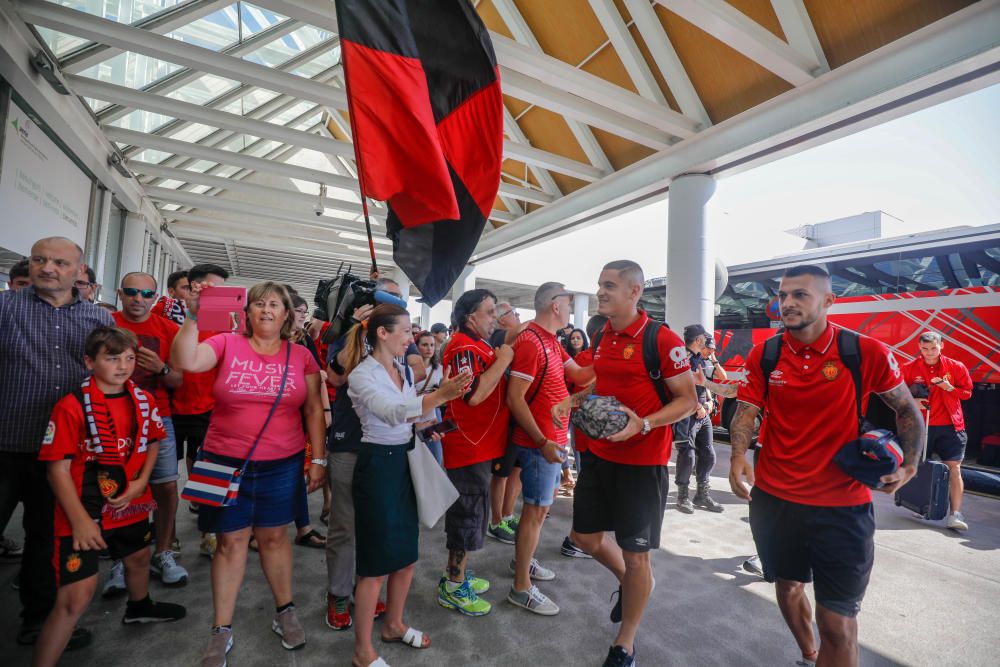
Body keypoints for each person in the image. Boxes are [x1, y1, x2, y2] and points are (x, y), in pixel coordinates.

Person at [728, 264, 922, 667]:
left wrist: (911, 467)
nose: (787, 303)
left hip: (842, 508)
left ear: (829, 301)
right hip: (776, 501)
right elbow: (747, 411)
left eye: (800, 294)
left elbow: (907, 408)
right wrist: (737, 458)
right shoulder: (765, 353)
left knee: (837, 621)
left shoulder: (862, 351)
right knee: (788, 587)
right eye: (783, 295)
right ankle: (809, 654)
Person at [171, 281, 327, 666]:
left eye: (275, 304)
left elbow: (311, 411)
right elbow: (187, 362)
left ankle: (285, 610)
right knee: (229, 542)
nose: (266, 310)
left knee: (275, 538)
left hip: (282, 462)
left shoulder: (301, 356)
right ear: (247, 312)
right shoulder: (226, 343)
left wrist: (318, 460)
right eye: (258, 304)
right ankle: (220, 630)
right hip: (221, 459)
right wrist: (193, 316)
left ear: (287, 313)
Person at [567, 261, 698, 667]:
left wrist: (644, 424)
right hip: (598, 455)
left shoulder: (661, 339)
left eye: (609, 286)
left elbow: (688, 400)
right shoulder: (603, 335)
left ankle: (624, 642)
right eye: (600, 285)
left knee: (637, 554)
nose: (601, 292)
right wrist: (569, 401)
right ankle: (632, 582)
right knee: (585, 538)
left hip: (643, 463)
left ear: (634, 291)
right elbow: (598, 382)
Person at [33, 327, 185, 667]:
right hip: (82, 510)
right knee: (76, 596)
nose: (122, 366)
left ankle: (139, 607)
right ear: (90, 361)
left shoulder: (142, 400)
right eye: (112, 358)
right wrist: (80, 521)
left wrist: (141, 482)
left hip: (129, 498)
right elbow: (56, 470)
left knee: (138, 558)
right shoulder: (71, 407)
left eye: (129, 358)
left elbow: (154, 441)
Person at [343, 304, 472, 667]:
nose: (411, 338)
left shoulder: (401, 368)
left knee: (406, 552)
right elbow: (392, 412)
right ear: (382, 333)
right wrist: (440, 396)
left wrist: (435, 414)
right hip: (378, 466)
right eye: (404, 331)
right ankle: (362, 649)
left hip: (404, 458)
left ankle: (394, 624)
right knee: (375, 562)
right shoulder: (361, 375)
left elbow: (410, 415)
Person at [0, 237, 113, 648]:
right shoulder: (5, 307)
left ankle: (38, 619)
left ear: (78, 271)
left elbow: (112, 376)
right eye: (39, 259)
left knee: (45, 539)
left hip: (64, 456)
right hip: (6, 443)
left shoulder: (97, 321)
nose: (48, 268)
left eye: (59, 262)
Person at [323, 279, 410, 633]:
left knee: (375, 523)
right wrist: (357, 328)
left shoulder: (399, 337)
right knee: (344, 523)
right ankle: (338, 594)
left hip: (388, 445)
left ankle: (367, 586)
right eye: (380, 298)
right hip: (349, 441)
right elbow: (336, 378)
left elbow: (414, 371)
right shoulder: (347, 331)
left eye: (392, 300)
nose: (385, 304)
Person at [506, 282, 595, 616]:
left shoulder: (551, 343)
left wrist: (611, 356)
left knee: (540, 512)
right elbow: (515, 398)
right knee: (534, 512)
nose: (571, 307)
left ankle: (523, 564)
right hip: (539, 443)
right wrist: (543, 442)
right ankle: (520, 587)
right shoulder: (532, 343)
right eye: (569, 302)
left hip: (551, 443)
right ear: (554, 305)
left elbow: (583, 374)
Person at [437, 290, 514, 617]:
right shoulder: (461, 347)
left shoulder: (478, 346)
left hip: (481, 444)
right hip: (468, 446)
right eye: (489, 311)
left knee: (473, 512)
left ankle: (455, 574)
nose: (495, 317)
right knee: (466, 516)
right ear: (471, 317)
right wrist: (505, 360)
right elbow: (475, 395)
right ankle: (453, 586)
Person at [113, 272, 188, 588]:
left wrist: (161, 368)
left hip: (158, 418)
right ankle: (122, 558)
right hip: (112, 418)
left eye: (146, 294)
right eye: (132, 292)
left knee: (166, 486)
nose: (138, 299)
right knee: (117, 488)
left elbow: (177, 380)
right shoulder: (107, 323)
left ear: (157, 298)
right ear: (121, 293)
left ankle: (163, 551)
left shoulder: (169, 330)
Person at [168, 264, 230, 561]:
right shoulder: (164, 318)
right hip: (167, 409)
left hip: (208, 410)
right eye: (209, 288)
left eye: (220, 289)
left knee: (209, 473)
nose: (215, 295)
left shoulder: (224, 324)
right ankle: (166, 539)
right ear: (192, 287)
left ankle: (209, 532)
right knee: (164, 481)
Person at [902, 331, 973, 531]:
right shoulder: (909, 368)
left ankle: (955, 514)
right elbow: (896, 392)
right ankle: (920, 504)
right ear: (919, 347)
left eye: (933, 348)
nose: (929, 353)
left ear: (942, 346)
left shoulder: (956, 367)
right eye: (924, 349)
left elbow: (967, 393)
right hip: (921, 425)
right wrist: (913, 400)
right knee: (919, 466)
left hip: (951, 426)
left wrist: (950, 388)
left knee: (954, 469)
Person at [289, 293, 328, 549]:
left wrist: (325, 410)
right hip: (268, 422)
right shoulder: (252, 342)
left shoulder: (303, 340)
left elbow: (319, 375)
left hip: (299, 415)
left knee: (294, 473)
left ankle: (303, 527)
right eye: (298, 310)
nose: (303, 314)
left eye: (305, 310)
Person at [674, 324, 723, 513]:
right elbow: (678, 387)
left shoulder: (697, 358)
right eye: (704, 338)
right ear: (698, 340)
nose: (706, 341)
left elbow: (702, 383)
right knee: (687, 455)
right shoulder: (681, 358)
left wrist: (709, 402)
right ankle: (682, 497)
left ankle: (702, 495)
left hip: (703, 412)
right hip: (688, 414)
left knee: (709, 454)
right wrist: (697, 406)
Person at [487, 301, 525, 544]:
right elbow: (523, 329)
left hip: (519, 416)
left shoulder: (517, 342)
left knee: (517, 470)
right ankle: (496, 520)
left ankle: (508, 514)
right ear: (502, 319)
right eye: (514, 313)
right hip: (504, 417)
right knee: (501, 474)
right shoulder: (499, 336)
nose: (519, 316)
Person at [415, 331, 445, 465]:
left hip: (433, 413)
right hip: (413, 413)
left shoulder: (440, 369)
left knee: (436, 457)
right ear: (416, 347)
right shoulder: (409, 368)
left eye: (432, 345)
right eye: (425, 345)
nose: (429, 349)